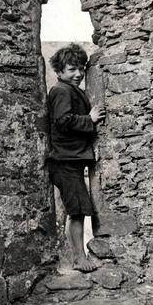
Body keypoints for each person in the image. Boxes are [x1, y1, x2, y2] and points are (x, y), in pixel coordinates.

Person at [47, 43, 105, 272]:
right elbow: (63, 120)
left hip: (71, 159)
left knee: (78, 209)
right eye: (71, 69)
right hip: (65, 161)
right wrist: (89, 119)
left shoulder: (72, 90)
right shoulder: (61, 90)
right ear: (59, 72)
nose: (78, 74)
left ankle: (78, 256)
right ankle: (79, 259)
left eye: (81, 68)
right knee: (78, 211)